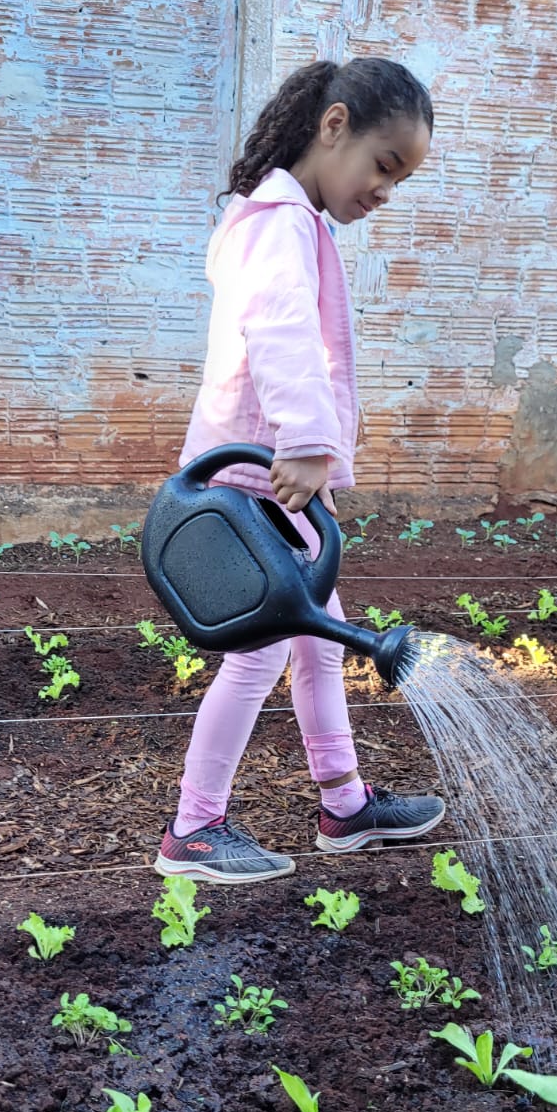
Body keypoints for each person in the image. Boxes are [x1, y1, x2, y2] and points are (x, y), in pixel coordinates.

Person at [154, 56, 447, 885]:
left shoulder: (292, 217)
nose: (386, 190)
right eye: (384, 165)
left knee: (318, 650)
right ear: (334, 126)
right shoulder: (277, 221)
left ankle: (344, 806)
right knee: (255, 655)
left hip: (274, 483)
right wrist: (308, 436)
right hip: (261, 482)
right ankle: (193, 829)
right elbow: (280, 328)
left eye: (403, 180)